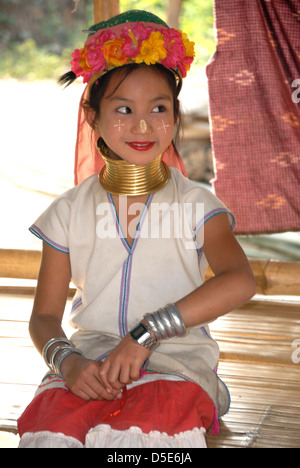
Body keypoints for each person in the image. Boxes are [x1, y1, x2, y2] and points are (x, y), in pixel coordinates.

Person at [18, 10, 256, 448]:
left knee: (143, 439)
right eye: (123, 109)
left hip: (176, 362)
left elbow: (239, 281)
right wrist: (65, 361)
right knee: (47, 437)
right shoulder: (68, 211)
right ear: (92, 116)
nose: (143, 125)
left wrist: (147, 334)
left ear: (177, 114)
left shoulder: (198, 205)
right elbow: (45, 316)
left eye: (159, 108)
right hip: (87, 366)